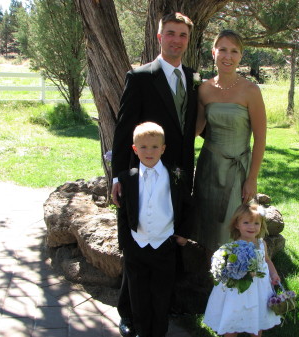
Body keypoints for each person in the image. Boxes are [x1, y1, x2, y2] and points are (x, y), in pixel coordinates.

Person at [111, 12, 198, 336]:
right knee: (135, 244)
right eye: (171, 33)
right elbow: (123, 132)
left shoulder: (192, 77)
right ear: (159, 37)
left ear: (188, 40)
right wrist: (120, 177)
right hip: (141, 174)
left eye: (183, 35)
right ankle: (129, 312)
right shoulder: (140, 77)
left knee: (166, 242)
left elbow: (188, 129)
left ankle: (164, 305)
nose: (177, 40)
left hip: (175, 177)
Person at [192, 30, 267, 252]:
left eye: (234, 51)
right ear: (213, 52)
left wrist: (252, 178)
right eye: (222, 49)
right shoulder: (204, 90)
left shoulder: (250, 91)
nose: (228, 56)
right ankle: (213, 279)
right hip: (209, 168)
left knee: (236, 226)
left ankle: (238, 281)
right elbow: (196, 129)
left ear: (241, 56)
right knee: (209, 227)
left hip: (238, 172)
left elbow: (260, 139)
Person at [117, 122, 192, 337]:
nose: (149, 152)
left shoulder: (176, 175)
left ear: (163, 148)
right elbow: (123, 213)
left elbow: (188, 205)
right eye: (143, 147)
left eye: (154, 147)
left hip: (165, 245)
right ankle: (141, 331)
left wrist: (184, 234)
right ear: (134, 149)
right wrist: (125, 243)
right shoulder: (127, 177)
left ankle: (159, 332)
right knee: (138, 295)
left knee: (161, 295)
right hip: (136, 245)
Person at [203, 203, 281, 336]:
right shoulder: (231, 246)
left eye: (256, 223)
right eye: (246, 222)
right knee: (233, 318)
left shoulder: (262, 244)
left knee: (257, 317)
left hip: (259, 289)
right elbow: (227, 268)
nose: (252, 227)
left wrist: (274, 274)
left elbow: (267, 260)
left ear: (261, 225)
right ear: (237, 224)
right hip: (237, 291)